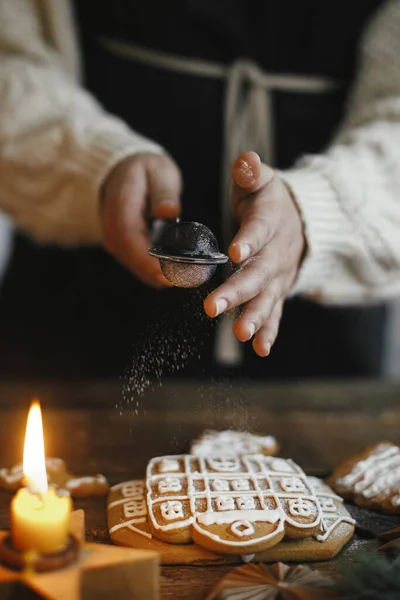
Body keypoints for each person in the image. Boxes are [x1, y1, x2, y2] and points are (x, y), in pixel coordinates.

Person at [0, 0, 399, 380]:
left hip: (321, 321)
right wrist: (94, 163)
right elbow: (9, 55)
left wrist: (315, 212)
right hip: (79, 294)